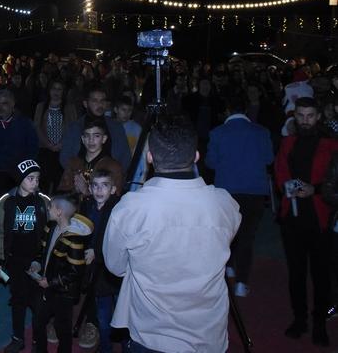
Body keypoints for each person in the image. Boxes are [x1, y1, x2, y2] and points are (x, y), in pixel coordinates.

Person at [105, 120, 240, 352]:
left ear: (149, 157)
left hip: (151, 332)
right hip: (208, 334)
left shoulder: (130, 208)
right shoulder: (225, 203)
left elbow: (116, 266)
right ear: (196, 156)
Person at [274, 97, 338, 345]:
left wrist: (316, 189)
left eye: (310, 115)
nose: (305, 120)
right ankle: (299, 319)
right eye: (301, 115)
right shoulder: (288, 142)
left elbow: (335, 181)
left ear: (318, 116)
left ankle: (319, 323)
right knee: (296, 273)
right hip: (292, 218)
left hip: (320, 218)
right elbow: (280, 171)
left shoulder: (331, 145)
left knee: (322, 275)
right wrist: (286, 187)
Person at [205, 95, 274, 297]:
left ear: (227, 110)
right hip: (254, 191)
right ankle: (242, 283)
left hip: (226, 191)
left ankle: (228, 269)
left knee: (226, 233)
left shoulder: (217, 133)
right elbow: (269, 159)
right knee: (247, 236)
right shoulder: (262, 132)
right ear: (245, 110)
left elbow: (210, 162)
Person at [0, 159, 49, 353]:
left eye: (37, 178)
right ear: (19, 179)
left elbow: (50, 233)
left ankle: (38, 340)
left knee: (38, 302)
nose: (35, 182)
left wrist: (41, 259)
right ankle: (18, 338)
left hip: (36, 260)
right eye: (30, 178)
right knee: (18, 300)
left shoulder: (44, 201)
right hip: (14, 259)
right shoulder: (6, 202)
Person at [32, 194, 93, 353]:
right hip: (45, 286)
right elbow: (42, 252)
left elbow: (75, 272)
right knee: (38, 321)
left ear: (59, 212)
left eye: (50, 207)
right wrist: (36, 263)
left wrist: (50, 282)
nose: (47, 210)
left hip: (63, 292)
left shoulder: (74, 239)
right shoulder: (50, 228)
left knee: (62, 328)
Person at [78, 168, 121, 353]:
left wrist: (97, 252)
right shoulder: (87, 206)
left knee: (122, 314)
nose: (99, 190)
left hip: (115, 270)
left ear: (113, 189)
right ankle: (105, 348)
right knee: (103, 316)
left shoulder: (118, 210)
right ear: (90, 188)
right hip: (97, 273)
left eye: (104, 185)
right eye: (95, 185)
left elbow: (117, 241)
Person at [0, 89, 39, 204]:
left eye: (5, 103)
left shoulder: (25, 123)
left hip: (16, 176)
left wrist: (24, 170)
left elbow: (33, 148)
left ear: (13, 104)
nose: (0, 107)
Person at [59, 84, 132, 173]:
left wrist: (115, 176)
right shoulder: (74, 128)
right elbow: (65, 157)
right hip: (79, 176)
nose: (100, 104)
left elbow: (125, 157)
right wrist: (79, 174)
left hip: (109, 177)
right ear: (85, 103)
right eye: (95, 101)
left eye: (102, 100)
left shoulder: (116, 127)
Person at [58, 117, 124, 196]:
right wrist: (74, 189)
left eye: (96, 136)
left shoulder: (113, 167)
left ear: (104, 139)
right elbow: (62, 193)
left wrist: (86, 191)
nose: (91, 140)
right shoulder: (74, 162)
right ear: (83, 139)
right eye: (87, 136)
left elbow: (115, 198)